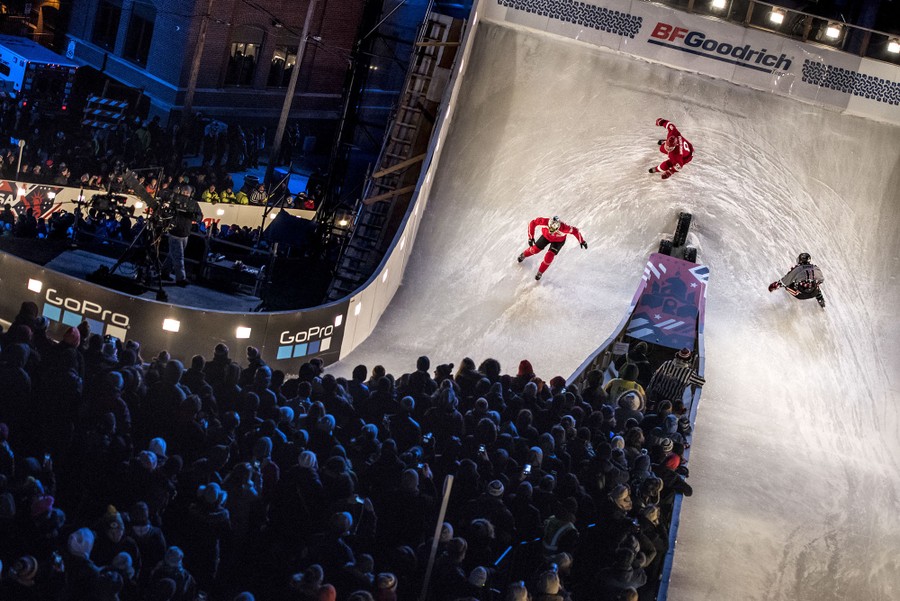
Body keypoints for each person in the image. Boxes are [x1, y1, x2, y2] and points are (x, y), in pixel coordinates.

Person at [517, 216, 587, 281]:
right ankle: (523, 255)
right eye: (550, 228)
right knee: (534, 250)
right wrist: (530, 237)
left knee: (549, 257)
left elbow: (575, 231)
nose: (551, 231)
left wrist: (582, 241)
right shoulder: (545, 221)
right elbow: (533, 222)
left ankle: (540, 272)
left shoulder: (565, 228)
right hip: (546, 237)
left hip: (558, 241)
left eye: (554, 230)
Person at [161, 187, 203, 287]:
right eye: (184, 192)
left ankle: (164, 272)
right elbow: (168, 212)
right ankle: (181, 278)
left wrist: (193, 216)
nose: (185, 194)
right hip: (175, 232)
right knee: (179, 256)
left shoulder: (193, 203)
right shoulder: (175, 200)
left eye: (187, 192)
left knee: (173, 254)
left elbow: (200, 216)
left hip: (185, 232)